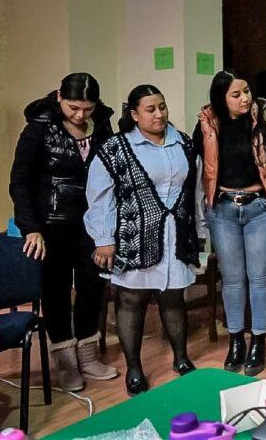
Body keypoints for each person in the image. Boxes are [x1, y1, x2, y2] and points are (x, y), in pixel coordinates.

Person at [85, 84, 200, 396]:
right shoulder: (116, 148)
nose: (159, 114)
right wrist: (103, 239)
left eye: (162, 107)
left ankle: (181, 357)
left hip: (174, 236)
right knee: (131, 301)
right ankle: (134, 368)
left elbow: (195, 192)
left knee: (174, 298)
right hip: (134, 236)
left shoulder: (184, 144)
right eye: (150, 109)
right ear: (134, 115)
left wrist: (199, 232)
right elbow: (100, 198)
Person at [9, 73, 118, 392]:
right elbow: (20, 181)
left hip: (91, 223)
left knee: (92, 287)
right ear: (59, 97)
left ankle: (87, 355)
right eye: (74, 107)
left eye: (87, 108)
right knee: (55, 292)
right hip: (51, 225)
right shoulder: (38, 129)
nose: (81, 115)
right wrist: (31, 228)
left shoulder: (102, 126)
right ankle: (66, 362)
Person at [193, 70, 266, 376]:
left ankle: (258, 339)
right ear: (221, 98)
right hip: (223, 209)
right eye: (236, 94)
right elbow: (197, 165)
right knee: (231, 279)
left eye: (246, 92)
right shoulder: (206, 124)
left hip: (259, 207)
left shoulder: (261, 120)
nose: (245, 99)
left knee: (259, 276)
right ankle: (235, 340)